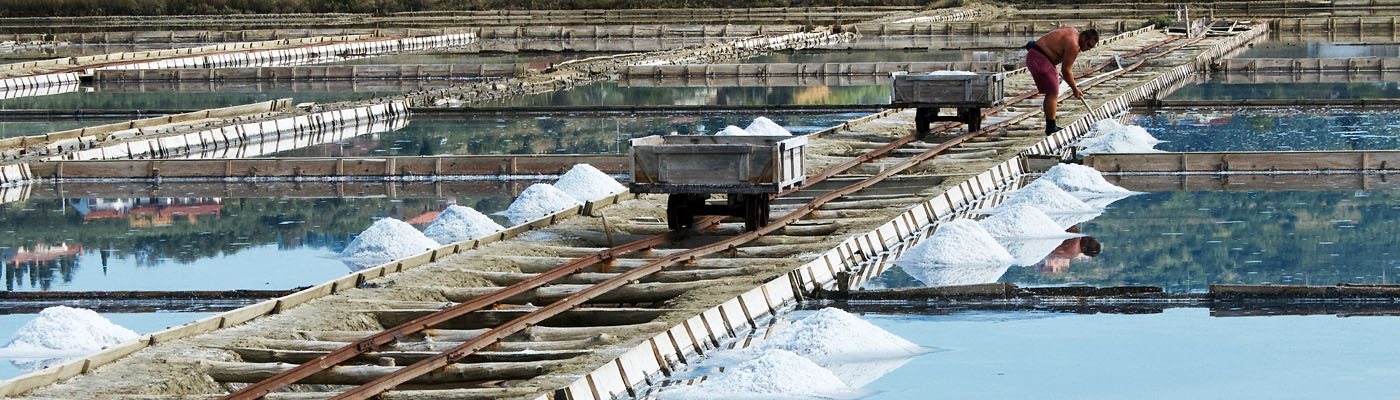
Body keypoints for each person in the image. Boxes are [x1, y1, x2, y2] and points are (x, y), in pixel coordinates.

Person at [1025, 27, 1100, 135]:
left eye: (1091, 48)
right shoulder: (1074, 45)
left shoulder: (1073, 31)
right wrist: (1075, 89)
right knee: (1052, 92)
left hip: (1037, 54)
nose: (1088, 49)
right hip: (1040, 58)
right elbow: (1066, 70)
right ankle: (1051, 127)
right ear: (1084, 38)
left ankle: (1051, 125)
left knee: (1053, 89)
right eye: (1088, 45)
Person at [1035, 225, 1102, 274]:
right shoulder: (1073, 255)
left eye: (1090, 240)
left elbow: (1068, 220)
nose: (1088, 237)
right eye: (1092, 238)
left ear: (1085, 248)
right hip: (1038, 247)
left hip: (1038, 237)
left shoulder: (1075, 239)